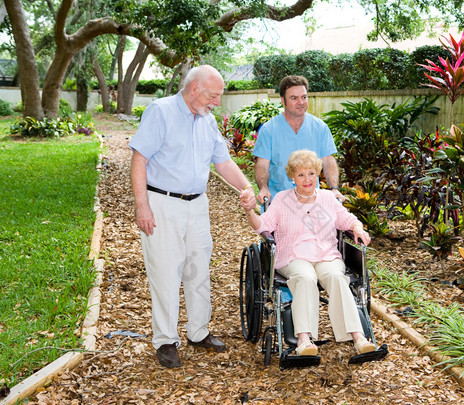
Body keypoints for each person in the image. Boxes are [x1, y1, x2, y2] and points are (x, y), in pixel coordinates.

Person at [129, 65, 256, 369]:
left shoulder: (208, 121)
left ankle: (198, 332)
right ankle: (165, 340)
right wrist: (141, 205)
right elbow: (140, 158)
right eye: (213, 95)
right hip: (163, 204)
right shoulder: (161, 112)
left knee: (198, 269)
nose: (217, 102)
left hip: (197, 204)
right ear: (195, 88)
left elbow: (223, 163)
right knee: (165, 273)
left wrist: (246, 185)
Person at [240, 150, 376, 356]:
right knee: (305, 277)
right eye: (301, 175)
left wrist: (358, 228)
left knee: (336, 277)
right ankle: (304, 339)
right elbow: (262, 226)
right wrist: (250, 210)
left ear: (318, 174)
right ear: (292, 177)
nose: (307, 179)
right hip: (293, 255)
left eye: (311, 173)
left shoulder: (328, 198)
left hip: (326, 254)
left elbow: (346, 219)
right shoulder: (282, 199)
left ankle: (358, 337)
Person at [252, 75, 343, 203]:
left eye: (304, 97)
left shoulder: (320, 127)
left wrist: (334, 188)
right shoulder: (269, 130)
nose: (300, 102)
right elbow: (262, 165)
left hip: (310, 202)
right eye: (294, 98)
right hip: (278, 202)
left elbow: (328, 160)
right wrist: (263, 188)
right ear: (283, 101)